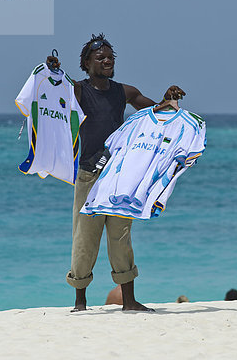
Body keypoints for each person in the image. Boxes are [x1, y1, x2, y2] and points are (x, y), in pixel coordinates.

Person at [65, 34, 156, 312]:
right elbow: (53, 90)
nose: (107, 60)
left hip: (118, 176)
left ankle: (129, 301)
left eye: (110, 57)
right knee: (84, 238)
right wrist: (53, 69)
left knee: (121, 237)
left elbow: (155, 112)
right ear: (86, 63)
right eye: (100, 57)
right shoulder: (78, 91)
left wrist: (170, 99)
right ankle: (80, 302)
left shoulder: (124, 92)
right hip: (89, 175)